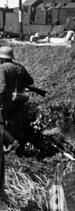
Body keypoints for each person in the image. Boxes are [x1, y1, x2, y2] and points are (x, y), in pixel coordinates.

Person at [0, 46, 34, 196]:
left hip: (6, 102)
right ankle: (18, 148)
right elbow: (30, 81)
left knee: (3, 124)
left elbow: (1, 89)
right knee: (18, 123)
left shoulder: (2, 68)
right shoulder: (20, 67)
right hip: (19, 102)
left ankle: (12, 144)